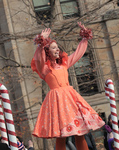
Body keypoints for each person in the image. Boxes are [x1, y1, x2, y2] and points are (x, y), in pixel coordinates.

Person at [31, 22, 105, 150]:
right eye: (54, 48)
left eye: (57, 48)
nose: (58, 49)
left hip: (72, 101)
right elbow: (38, 60)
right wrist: (40, 43)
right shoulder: (44, 69)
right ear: (47, 51)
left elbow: (78, 53)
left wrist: (84, 38)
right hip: (58, 103)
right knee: (61, 136)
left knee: (80, 132)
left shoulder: (64, 64)